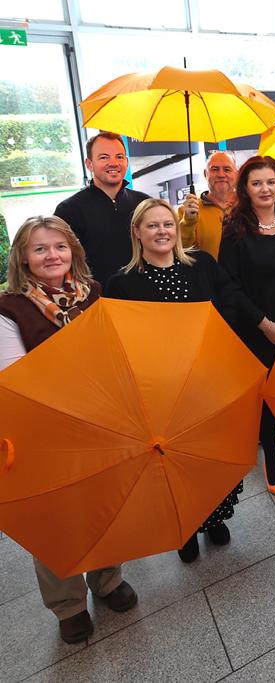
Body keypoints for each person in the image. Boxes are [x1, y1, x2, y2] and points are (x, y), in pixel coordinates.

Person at [0, 216, 138, 644]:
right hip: (44, 426)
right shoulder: (10, 307)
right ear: (23, 257)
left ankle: (107, 578)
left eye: (58, 246)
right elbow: (14, 375)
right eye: (39, 249)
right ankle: (68, 604)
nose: (51, 256)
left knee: (103, 499)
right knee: (55, 515)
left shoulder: (93, 293)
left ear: (73, 251)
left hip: (99, 416)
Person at [106, 198, 244, 561]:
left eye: (167, 224)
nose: (162, 232)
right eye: (152, 226)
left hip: (205, 378)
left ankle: (214, 516)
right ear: (137, 232)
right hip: (161, 388)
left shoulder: (201, 264)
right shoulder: (122, 283)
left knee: (208, 455)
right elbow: (120, 339)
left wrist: (216, 337)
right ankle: (185, 526)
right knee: (174, 461)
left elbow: (228, 299)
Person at [218, 156, 275, 498]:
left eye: (271, 182)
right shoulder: (234, 227)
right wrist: (265, 324)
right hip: (255, 327)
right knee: (265, 395)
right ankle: (271, 458)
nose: (265, 189)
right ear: (245, 188)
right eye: (257, 183)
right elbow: (229, 284)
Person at [54, 132, 149, 286]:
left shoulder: (144, 203)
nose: (113, 163)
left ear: (126, 161)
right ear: (89, 164)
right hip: (95, 298)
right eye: (104, 157)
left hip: (145, 294)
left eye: (119, 157)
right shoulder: (69, 210)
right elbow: (63, 264)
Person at [178, 151, 237, 259]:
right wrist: (188, 223)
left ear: (236, 174)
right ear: (205, 174)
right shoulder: (186, 212)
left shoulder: (248, 206)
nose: (221, 175)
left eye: (227, 169)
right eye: (214, 169)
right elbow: (182, 252)